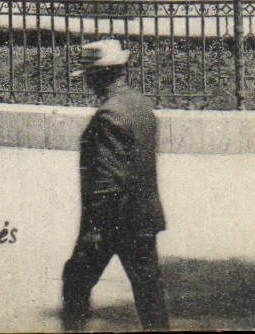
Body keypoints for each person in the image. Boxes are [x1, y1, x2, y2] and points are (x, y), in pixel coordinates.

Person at [61, 39, 169, 331]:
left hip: (113, 222)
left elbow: (107, 180)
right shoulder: (142, 106)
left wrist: (94, 231)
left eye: (89, 76)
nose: (87, 84)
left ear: (102, 75)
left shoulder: (109, 115)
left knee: (75, 280)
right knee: (150, 294)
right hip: (143, 217)